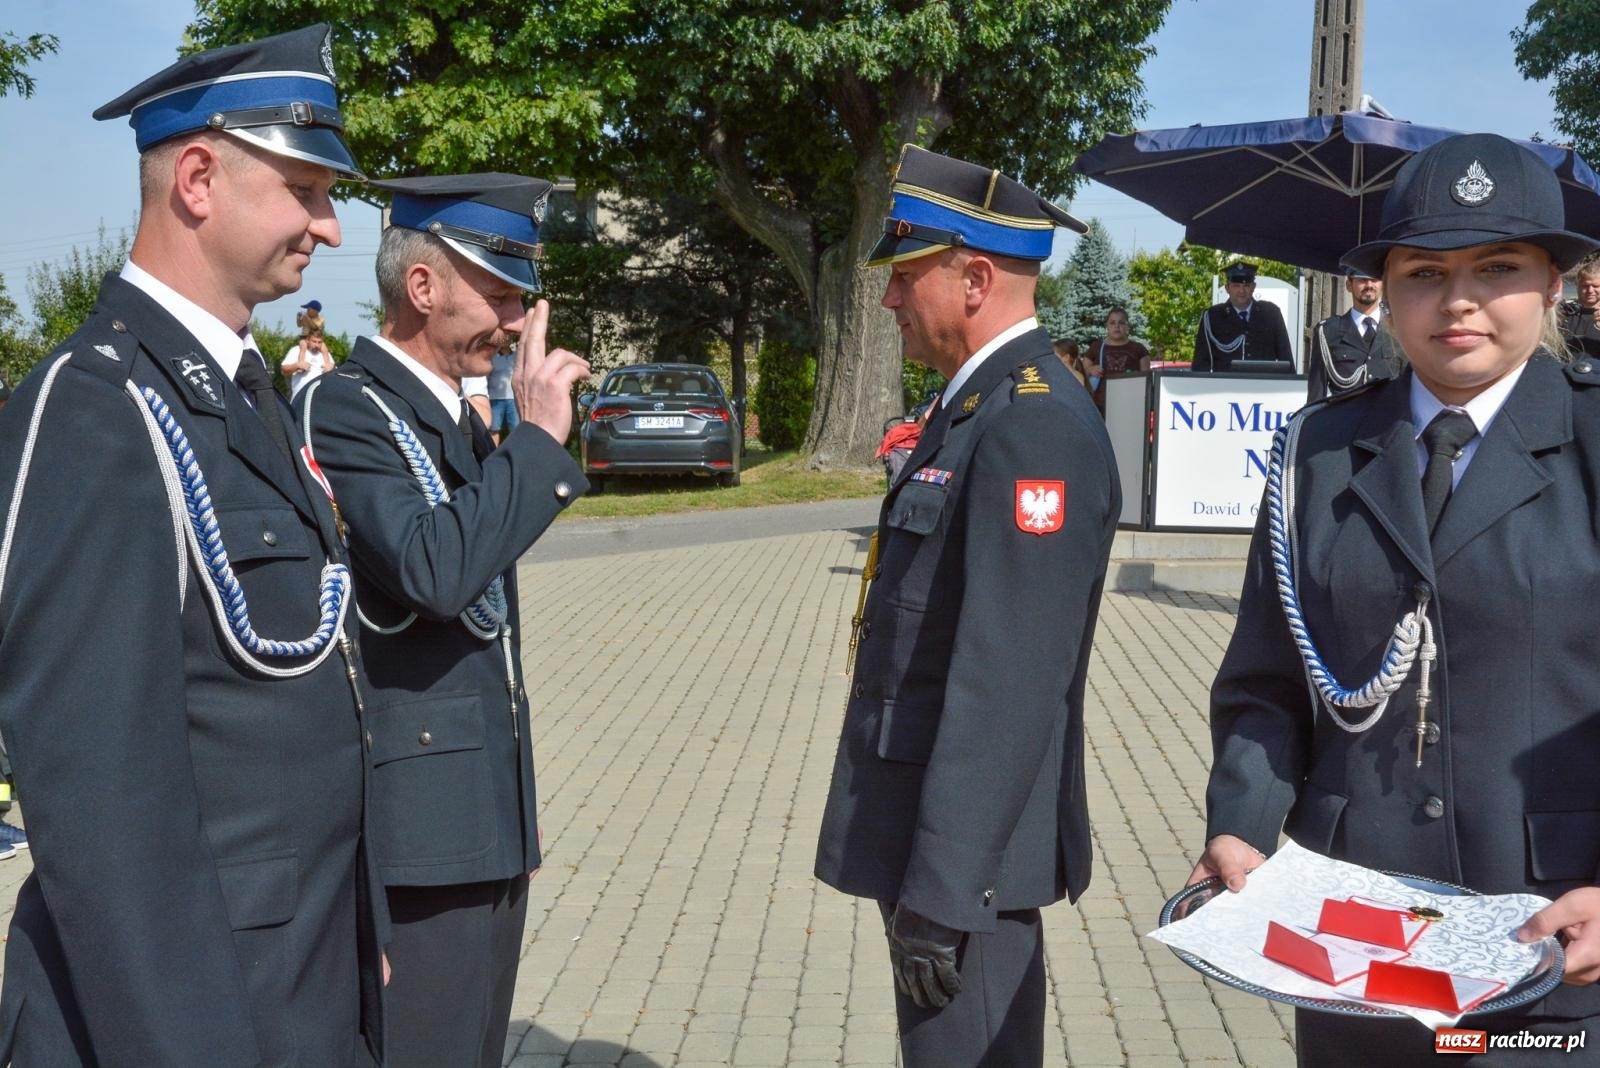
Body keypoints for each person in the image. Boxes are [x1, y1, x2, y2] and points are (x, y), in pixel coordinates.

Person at [0, 25, 386, 1066]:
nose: (330, 228)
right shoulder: (95, 409)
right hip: (195, 1014)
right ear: (200, 179)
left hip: (301, 984)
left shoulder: (242, 393)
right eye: (306, 190)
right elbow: (101, 809)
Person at [1187, 132, 1600, 1066]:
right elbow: (1266, 679)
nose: (1458, 300)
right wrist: (1240, 821)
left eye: (1498, 267)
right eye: (1424, 273)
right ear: (1384, 287)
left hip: (1552, 933)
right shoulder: (1318, 452)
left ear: (1553, 281)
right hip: (1352, 928)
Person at [816, 144, 1119, 1068]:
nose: (889, 300)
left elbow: (1010, 680)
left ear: (976, 279)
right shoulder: (974, 406)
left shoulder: (1032, 423)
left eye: (905, 276)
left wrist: (946, 889)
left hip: (970, 866)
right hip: (937, 840)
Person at [296, 173, 591, 1068]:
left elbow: (490, 635)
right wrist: (535, 443)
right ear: (422, 287)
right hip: (416, 838)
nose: (516, 320)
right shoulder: (343, 407)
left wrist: (512, 811)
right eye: (499, 295)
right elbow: (435, 571)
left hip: (478, 818)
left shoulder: (448, 417)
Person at [1306, 267, 1401, 402]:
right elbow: (1316, 395)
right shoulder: (1328, 332)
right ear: (1349, 285)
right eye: (1362, 280)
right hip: (1345, 414)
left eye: (1374, 280)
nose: (1369, 285)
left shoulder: (1398, 330)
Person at [1191, 261, 1293, 371]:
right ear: (1227, 288)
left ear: (1253, 287)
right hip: (1226, 382)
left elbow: (1286, 359)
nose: (1241, 290)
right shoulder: (1212, 317)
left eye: (1246, 285)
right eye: (1236, 286)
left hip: (1263, 381)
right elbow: (1200, 364)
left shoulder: (1271, 314)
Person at [1082, 306, 1149, 411]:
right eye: (1112, 323)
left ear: (1127, 326)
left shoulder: (1139, 349)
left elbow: (1147, 379)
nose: (1116, 326)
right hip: (1099, 405)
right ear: (1107, 326)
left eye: (1121, 323)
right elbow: (1081, 371)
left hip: (1129, 404)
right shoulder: (1096, 347)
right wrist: (1090, 370)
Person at [282, 301, 334, 398]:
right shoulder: (295, 350)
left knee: (325, 350)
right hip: (304, 336)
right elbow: (299, 325)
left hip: (317, 334)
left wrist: (307, 318)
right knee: (303, 347)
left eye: (309, 309)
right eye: (314, 342)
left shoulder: (319, 318)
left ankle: (327, 364)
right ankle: (301, 364)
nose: (307, 311)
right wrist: (299, 318)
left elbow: (315, 327)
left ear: (315, 311)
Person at [1558, 254, 1600, 359]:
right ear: (1577, 287)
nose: (1590, 290)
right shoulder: (1563, 313)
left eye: (1595, 286)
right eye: (1585, 286)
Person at [486, 337, 520, 442]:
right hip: (495, 398)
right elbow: (486, 376)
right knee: (494, 428)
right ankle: (492, 450)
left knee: (516, 429)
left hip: (513, 398)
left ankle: (515, 451)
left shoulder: (516, 356)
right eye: (503, 340)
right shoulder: (493, 357)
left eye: (507, 339)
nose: (505, 342)